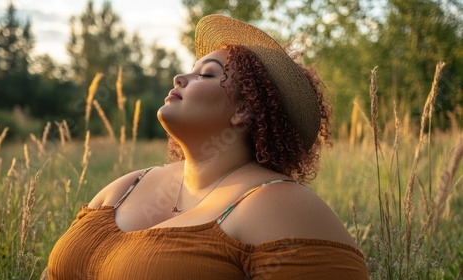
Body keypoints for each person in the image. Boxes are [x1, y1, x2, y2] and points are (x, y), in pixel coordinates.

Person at [45, 14, 370, 279]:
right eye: (190, 68)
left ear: (245, 110)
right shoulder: (127, 187)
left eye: (207, 74)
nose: (179, 78)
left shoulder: (282, 206)